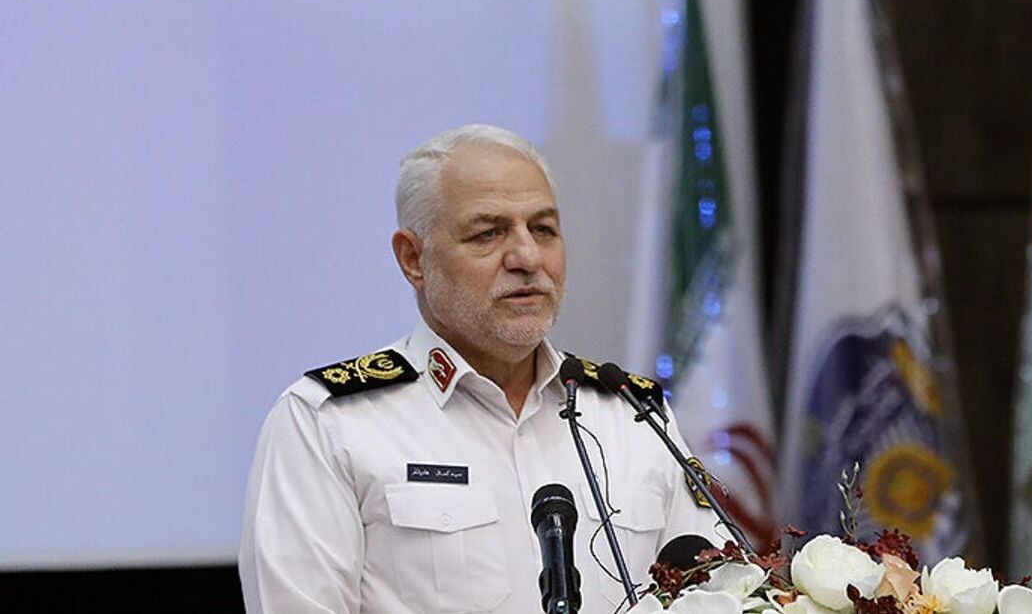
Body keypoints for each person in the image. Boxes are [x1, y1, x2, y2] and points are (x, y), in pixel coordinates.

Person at [239, 124, 721, 613]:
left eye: (543, 229)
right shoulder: (328, 424)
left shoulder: (634, 416)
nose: (527, 257)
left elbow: (724, 593)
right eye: (488, 233)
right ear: (413, 259)